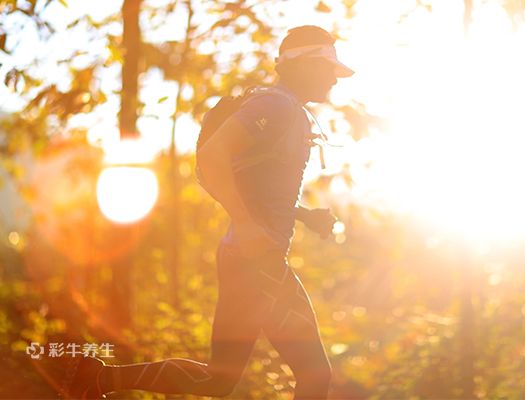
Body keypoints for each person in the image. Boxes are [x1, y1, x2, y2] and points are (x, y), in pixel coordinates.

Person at [60, 25, 354, 400]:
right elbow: (213, 155)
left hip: (245, 260)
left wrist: (302, 215)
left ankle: (97, 379)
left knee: (217, 380)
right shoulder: (275, 106)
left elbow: (258, 189)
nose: (334, 78)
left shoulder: (283, 108)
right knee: (315, 377)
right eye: (328, 68)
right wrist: (248, 227)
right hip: (257, 264)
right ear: (305, 66)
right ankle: (96, 379)